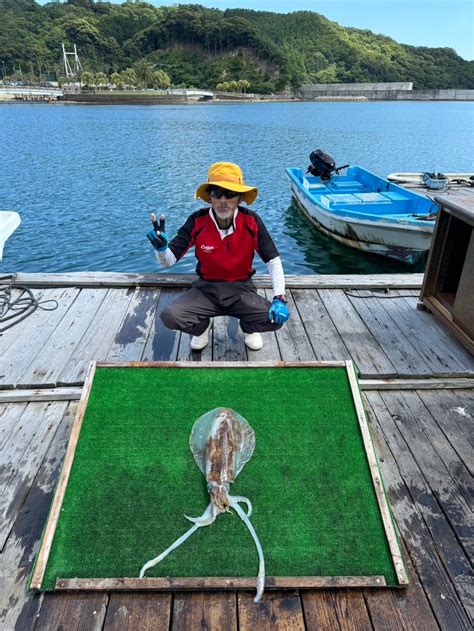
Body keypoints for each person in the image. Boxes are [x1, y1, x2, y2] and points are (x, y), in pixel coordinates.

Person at [146, 162, 289, 351]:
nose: (223, 200)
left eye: (230, 194)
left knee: (275, 320)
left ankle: (248, 326)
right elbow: (169, 261)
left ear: (239, 198)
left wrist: (279, 298)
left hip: (241, 290)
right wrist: (161, 249)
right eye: (216, 193)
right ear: (209, 198)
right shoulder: (197, 220)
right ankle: (201, 328)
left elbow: (273, 261)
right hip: (206, 289)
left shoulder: (251, 221)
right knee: (170, 316)